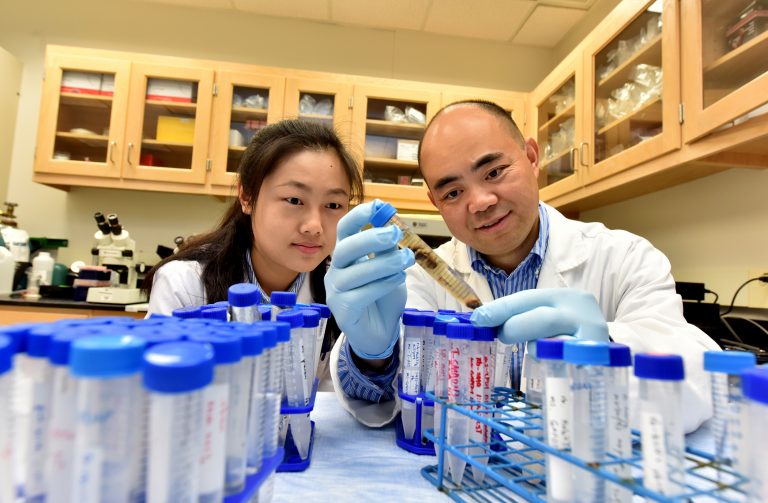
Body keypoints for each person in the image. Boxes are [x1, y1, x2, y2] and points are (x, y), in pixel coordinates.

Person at [324, 100, 720, 431]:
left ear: (531, 157)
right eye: (453, 191)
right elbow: (394, 401)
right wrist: (372, 356)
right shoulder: (417, 279)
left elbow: (699, 379)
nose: (479, 201)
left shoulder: (625, 258)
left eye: (494, 172)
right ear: (435, 203)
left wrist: (608, 348)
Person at [144, 119, 363, 376]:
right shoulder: (185, 284)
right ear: (247, 197)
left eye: (333, 205)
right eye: (294, 200)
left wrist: (373, 357)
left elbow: (343, 405)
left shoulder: (344, 291)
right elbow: (161, 390)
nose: (314, 226)